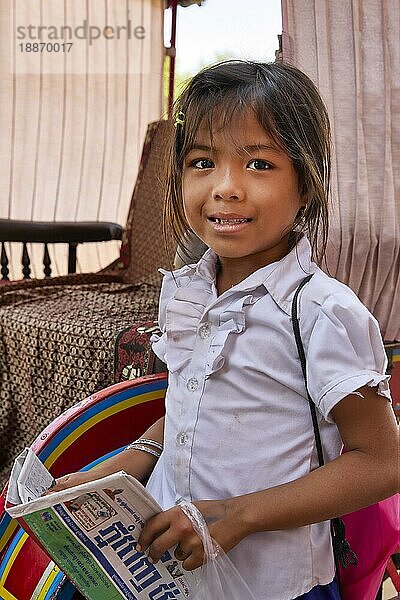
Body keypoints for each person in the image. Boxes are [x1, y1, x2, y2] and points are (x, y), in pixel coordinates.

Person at [51, 61, 398, 599]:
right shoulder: (190, 290)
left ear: (307, 183)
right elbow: (195, 400)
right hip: (168, 567)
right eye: (203, 162)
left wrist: (239, 515)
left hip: (268, 581)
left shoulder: (320, 311)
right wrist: (130, 462)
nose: (226, 188)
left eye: (259, 163)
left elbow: (381, 462)